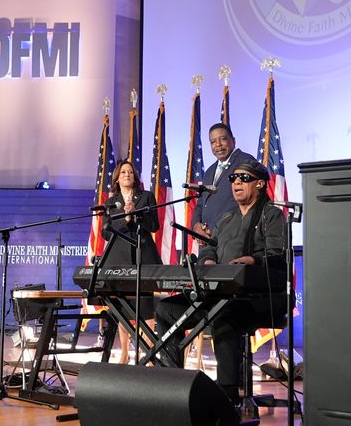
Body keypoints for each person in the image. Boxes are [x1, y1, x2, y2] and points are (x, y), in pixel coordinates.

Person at [156, 160, 287, 404]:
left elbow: (278, 255)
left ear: (259, 183)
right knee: (165, 309)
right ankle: (171, 382)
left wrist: (252, 260)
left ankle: (227, 393)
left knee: (225, 314)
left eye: (243, 178)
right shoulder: (226, 218)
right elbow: (210, 249)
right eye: (233, 178)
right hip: (218, 294)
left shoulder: (273, 215)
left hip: (260, 298)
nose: (236, 182)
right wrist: (206, 262)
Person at [99, 160, 161, 364]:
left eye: (131, 172)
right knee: (123, 306)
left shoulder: (146, 197)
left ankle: (149, 352)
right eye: (123, 172)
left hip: (143, 255)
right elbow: (105, 232)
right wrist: (125, 220)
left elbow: (154, 226)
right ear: (117, 177)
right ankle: (124, 353)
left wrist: (135, 215)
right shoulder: (111, 202)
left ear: (135, 177)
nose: (127, 174)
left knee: (145, 304)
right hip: (119, 258)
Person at [192, 123, 255, 241]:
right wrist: (196, 226)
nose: (218, 145)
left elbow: (249, 200)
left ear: (234, 141)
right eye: (213, 142)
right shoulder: (210, 171)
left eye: (223, 139)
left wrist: (216, 229)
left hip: (233, 239)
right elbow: (201, 203)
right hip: (208, 241)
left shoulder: (245, 161)